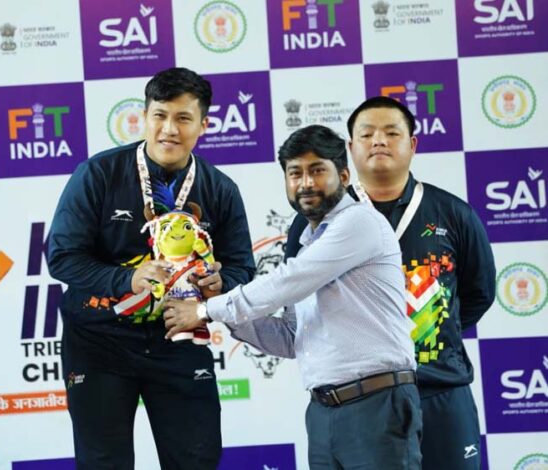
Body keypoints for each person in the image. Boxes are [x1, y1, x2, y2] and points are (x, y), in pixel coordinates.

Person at [164, 125, 422, 469]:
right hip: (323, 411)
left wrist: (204, 310)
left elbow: (289, 281)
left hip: (376, 405)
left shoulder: (359, 221)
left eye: (317, 170)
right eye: (295, 173)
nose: (306, 183)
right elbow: (289, 337)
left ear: (344, 176)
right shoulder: (307, 243)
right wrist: (222, 301)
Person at [47, 67, 256, 469]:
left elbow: (242, 267)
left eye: (183, 118)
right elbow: (62, 256)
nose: (169, 129)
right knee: (103, 464)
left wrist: (220, 283)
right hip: (99, 341)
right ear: (144, 117)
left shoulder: (220, 189)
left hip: (180, 339)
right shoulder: (98, 174)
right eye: (160, 115)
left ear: (203, 125)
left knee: (196, 460)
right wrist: (126, 278)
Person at [283, 97, 496, 470]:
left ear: (412, 144)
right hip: (361, 401)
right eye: (367, 134)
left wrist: (423, 334)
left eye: (391, 133)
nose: (378, 141)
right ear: (350, 149)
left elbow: (478, 293)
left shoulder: (454, 214)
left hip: (440, 390)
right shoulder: (313, 221)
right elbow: (297, 297)